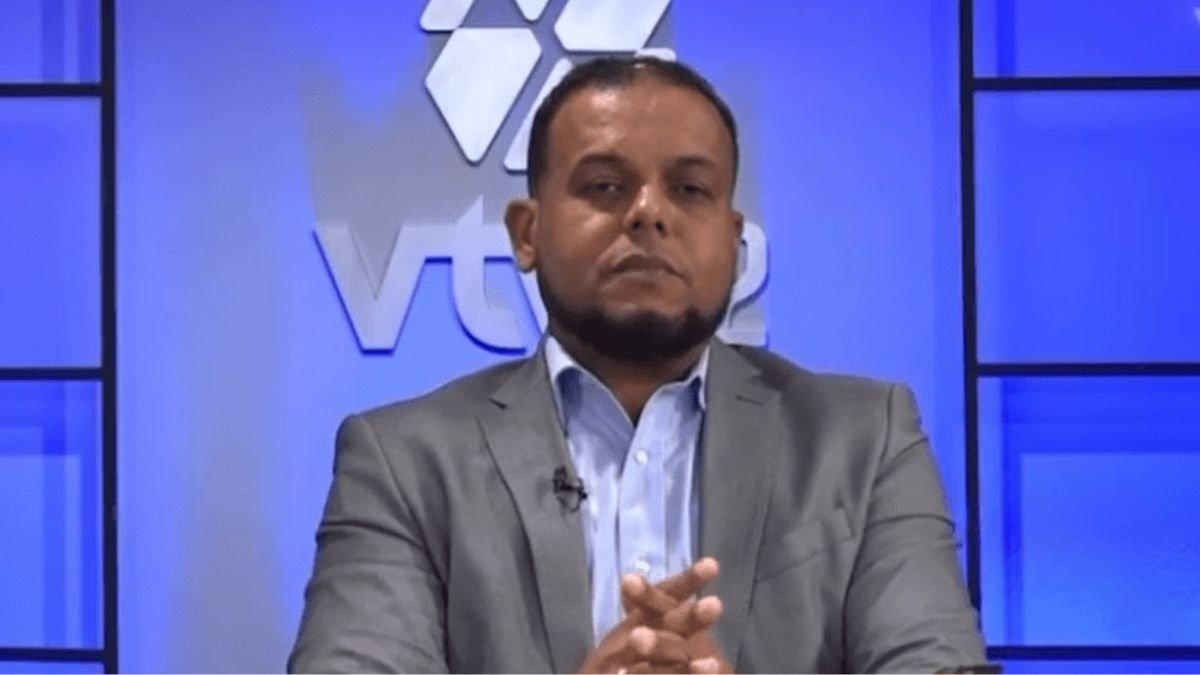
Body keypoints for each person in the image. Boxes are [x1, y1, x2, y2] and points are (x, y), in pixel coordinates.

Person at [288, 56, 985, 673]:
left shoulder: (864, 440)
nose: (649, 213)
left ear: (734, 242)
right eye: (604, 186)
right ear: (528, 232)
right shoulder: (403, 461)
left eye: (689, 190)